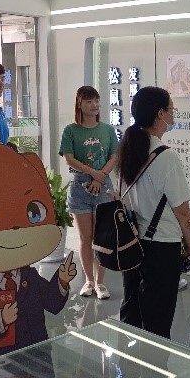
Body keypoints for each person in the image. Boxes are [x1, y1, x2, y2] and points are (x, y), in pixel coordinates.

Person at [116, 86, 190, 378]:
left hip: (133, 244)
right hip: (161, 247)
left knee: (132, 311)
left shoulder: (129, 149)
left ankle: (129, 377)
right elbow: (183, 213)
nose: (173, 114)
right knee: (158, 321)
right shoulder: (167, 157)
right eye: (171, 109)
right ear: (160, 114)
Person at [59, 86, 119, 300]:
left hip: (103, 186)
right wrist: (93, 173)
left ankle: (101, 282)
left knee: (102, 238)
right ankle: (88, 280)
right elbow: (69, 158)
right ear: (79, 104)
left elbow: (114, 157)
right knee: (86, 238)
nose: (94, 105)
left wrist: (99, 177)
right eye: (88, 101)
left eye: (96, 100)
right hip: (80, 187)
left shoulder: (107, 130)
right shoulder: (71, 130)